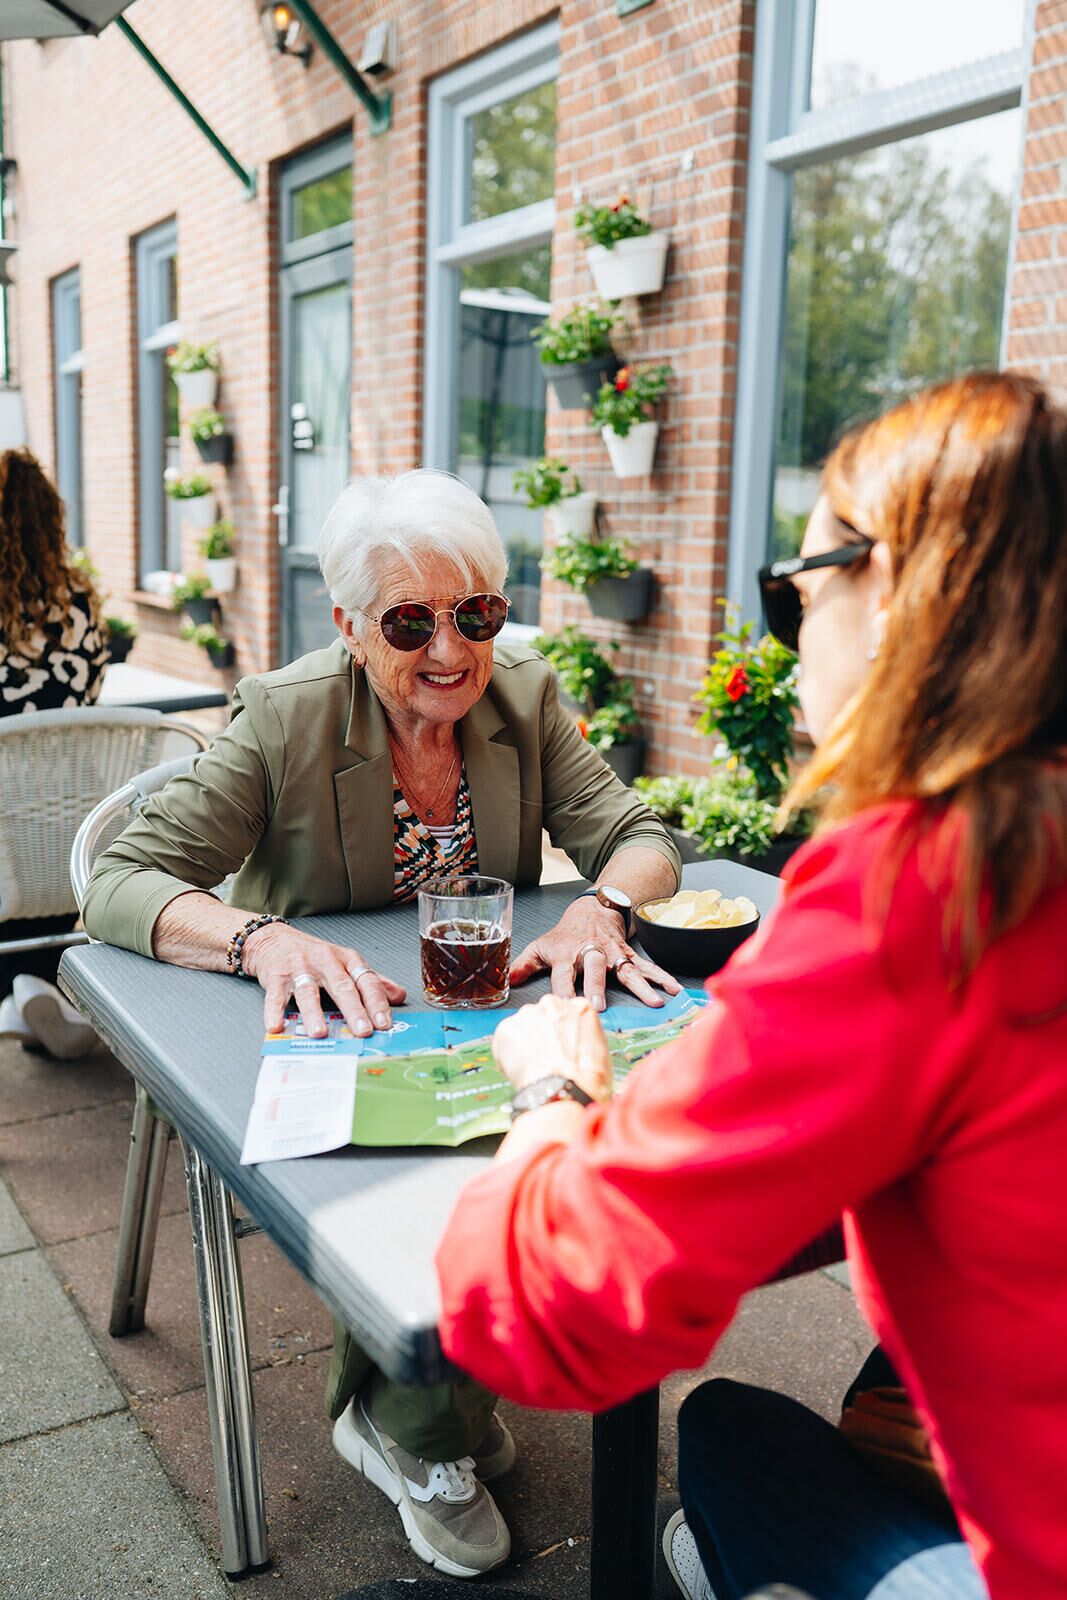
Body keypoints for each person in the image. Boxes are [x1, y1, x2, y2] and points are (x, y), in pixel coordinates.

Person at [434, 372, 1067, 1599]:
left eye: (792, 592)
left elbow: (549, 1310)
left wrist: (551, 1087)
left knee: (722, 1434)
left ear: (892, 589)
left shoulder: (928, 883)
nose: (785, 635)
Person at [82, 467, 682, 1578]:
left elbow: (639, 834)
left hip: (471, 1011)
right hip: (324, 1025)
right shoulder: (284, 715)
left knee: (573, 1114)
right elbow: (120, 877)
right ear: (351, 623)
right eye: (411, 619)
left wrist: (605, 907)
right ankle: (415, 1429)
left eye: (478, 613)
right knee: (441, 1163)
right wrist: (259, 939)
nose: (451, 649)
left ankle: (428, 1398)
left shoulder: (526, 697)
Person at [0, 448, 108, 1057]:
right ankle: (32, 984)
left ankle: (16, 992)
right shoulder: (80, 603)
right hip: (67, 825)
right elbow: (90, 698)